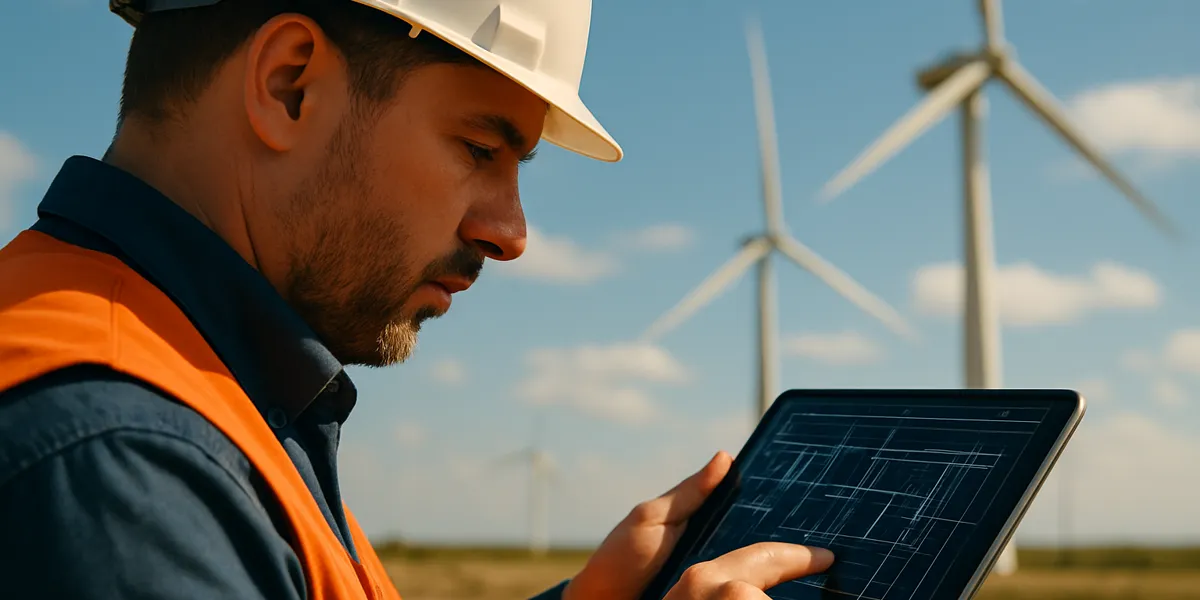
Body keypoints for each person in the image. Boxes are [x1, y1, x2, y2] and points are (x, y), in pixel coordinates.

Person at [0, 1, 834, 598]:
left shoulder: (208, 388)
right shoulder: (123, 460)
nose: (512, 233)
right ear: (290, 86)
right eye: (479, 147)